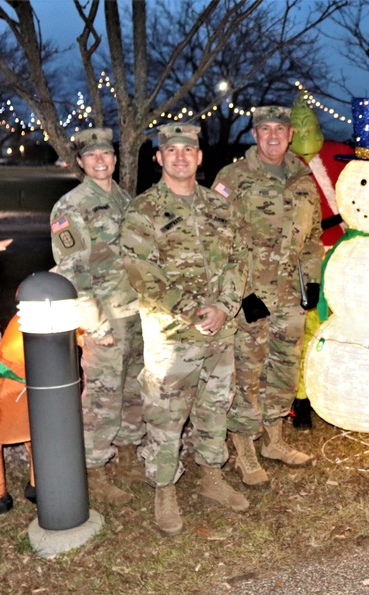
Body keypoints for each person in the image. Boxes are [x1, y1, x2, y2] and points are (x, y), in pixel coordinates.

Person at [121, 123, 249, 536]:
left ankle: (212, 476)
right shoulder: (143, 211)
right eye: (170, 150)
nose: (180, 156)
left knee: (215, 408)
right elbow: (142, 272)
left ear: (199, 157)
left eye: (187, 150)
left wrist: (224, 307)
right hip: (172, 338)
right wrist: (196, 311)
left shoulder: (221, 207)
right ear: (158, 158)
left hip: (219, 333)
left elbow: (238, 261)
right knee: (165, 415)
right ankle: (164, 490)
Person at [212, 105, 321, 483]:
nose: (273, 135)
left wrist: (313, 281)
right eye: (265, 129)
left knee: (285, 369)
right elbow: (217, 240)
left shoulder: (304, 178)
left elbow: (313, 239)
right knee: (248, 373)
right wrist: (240, 295)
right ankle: (245, 450)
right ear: (254, 134)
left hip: (291, 295)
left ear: (291, 134)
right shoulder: (234, 177)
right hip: (251, 298)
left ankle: (273, 439)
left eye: (280, 128)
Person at [49, 127, 145, 505]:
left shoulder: (125, 199)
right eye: (92, 156)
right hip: (106, 316)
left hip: (136, 310)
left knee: (134, 389)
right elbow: (71, 270)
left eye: (106, 154)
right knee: (102, 397)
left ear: (115, 158)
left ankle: (127, 457)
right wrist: (95, 322)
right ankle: (94, 470)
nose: (101, 160)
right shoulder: (71, 207)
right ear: (80, 162)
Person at [286, 95, 348, 432]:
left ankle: (339, 389)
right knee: (308, 327)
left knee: (342, 322)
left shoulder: (340, 155)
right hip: (306, 259)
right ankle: (301, 399)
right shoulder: (286, 164)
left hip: (343, 254)